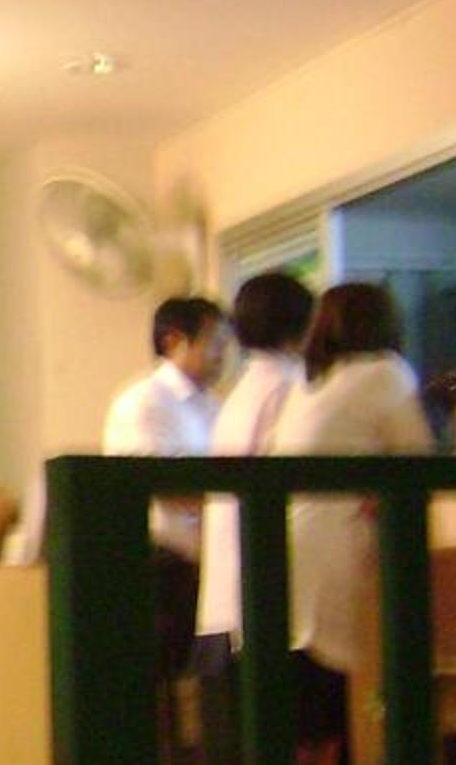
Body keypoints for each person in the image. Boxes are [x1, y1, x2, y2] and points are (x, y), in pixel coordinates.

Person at [272, 282, 434, 765]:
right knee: (333, 722)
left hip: (289, 558)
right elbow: (418, 458)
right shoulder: (384, 373)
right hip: (336, 556)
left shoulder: (311, 384)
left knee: (307, 724)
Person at [190, 271, 317, 676]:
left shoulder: (240, 394)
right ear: (303, 324)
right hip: (265, 601)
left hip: (223, 602)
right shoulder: (292, 388)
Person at [102, 293, 227, 675]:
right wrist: (225, 496)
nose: (223, 354)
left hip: (205, 561)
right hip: (161, 563)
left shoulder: (213, 404)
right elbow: (160, 485)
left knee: (207, 674)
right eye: (214, 342)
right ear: (173, 341)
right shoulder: (143, 402)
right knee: (168, 675)